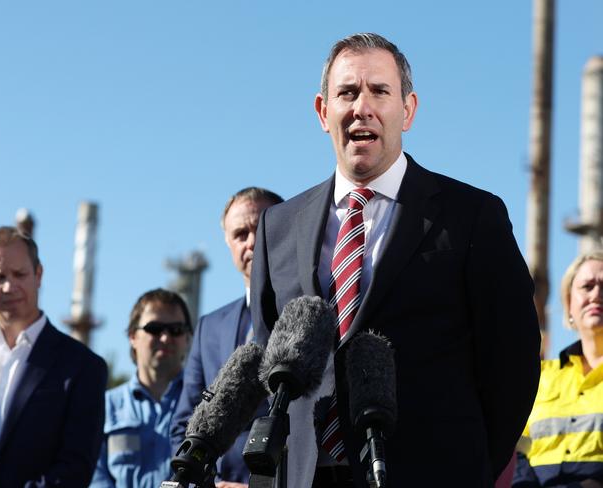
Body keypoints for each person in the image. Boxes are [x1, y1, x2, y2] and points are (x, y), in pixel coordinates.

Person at [250, 32, 541, 488]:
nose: (361, 106)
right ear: (323, 113)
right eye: (346, 92)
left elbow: (513, 362)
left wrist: (472, 467)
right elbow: (268, 367)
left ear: (407, 110)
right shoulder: (277, 227)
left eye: (379, 91)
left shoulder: (471, 216)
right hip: (305, 476)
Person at [0, 226, 107, 487]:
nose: (9, 286)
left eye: (19, 274)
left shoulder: (82, 367)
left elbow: (74, 469)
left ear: (38, 274)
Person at [170, 187, 283, 487]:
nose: (252, 242)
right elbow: (185, 422)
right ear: (228, 244)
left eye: (261, 228)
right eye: (240, 234)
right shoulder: (210, 327)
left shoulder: (312, 315)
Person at [513, 252, 603, 488]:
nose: (596, 295)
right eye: (587, 286)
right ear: (569, 304)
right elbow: (517, 451)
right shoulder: (540, 378)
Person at [90, 288, 192, 487]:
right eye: (154, 328)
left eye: (176, 330)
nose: (165, 338)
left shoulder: (205, 406)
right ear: (132, 336)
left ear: (188, 338)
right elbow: (95, 476)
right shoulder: (104, 407)